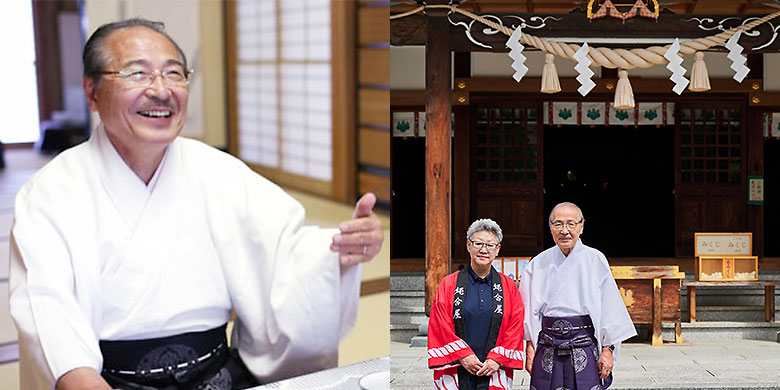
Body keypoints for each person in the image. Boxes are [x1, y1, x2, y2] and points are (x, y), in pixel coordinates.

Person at [8, 18, 384, 390]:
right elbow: (48, 311)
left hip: (217, 378)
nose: (160, 90)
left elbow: (285, 251)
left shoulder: (218, 172)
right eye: (137, 74)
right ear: (92, 92)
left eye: (174, 74)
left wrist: (339, 252)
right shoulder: (51, 192)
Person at [518, 202, 636, 390]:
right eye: (558, 224)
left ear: (581, 227)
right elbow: (527, 309)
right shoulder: (538, 263)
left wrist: (607, 349)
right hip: (547, 344)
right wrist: (530, 346)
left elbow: (610, 307)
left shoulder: (595, 259)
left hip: (584, 344)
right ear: (550, 228)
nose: (564, 230)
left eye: (571, 224)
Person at [427, 219, 524, 390]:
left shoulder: (508, 286)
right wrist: (463, 355)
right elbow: (440, 324)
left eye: (490, 245)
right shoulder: (449, 284)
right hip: (456, 367)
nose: (483, 250)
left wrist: (497, 359)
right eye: (478, 243)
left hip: (494, 368)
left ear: (497, 249)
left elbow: (516, 326)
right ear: (468, 245)